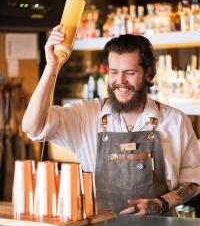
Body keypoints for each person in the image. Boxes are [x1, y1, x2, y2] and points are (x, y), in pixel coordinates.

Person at [22, 24, 200, 216]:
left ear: (148, 74)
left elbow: (194, 181)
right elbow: (32, 126)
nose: (120, 81)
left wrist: (161, 203)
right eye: (114, 72)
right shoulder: (87, 114)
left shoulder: (175, 121)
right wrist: (52, 67)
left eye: (129, 73)